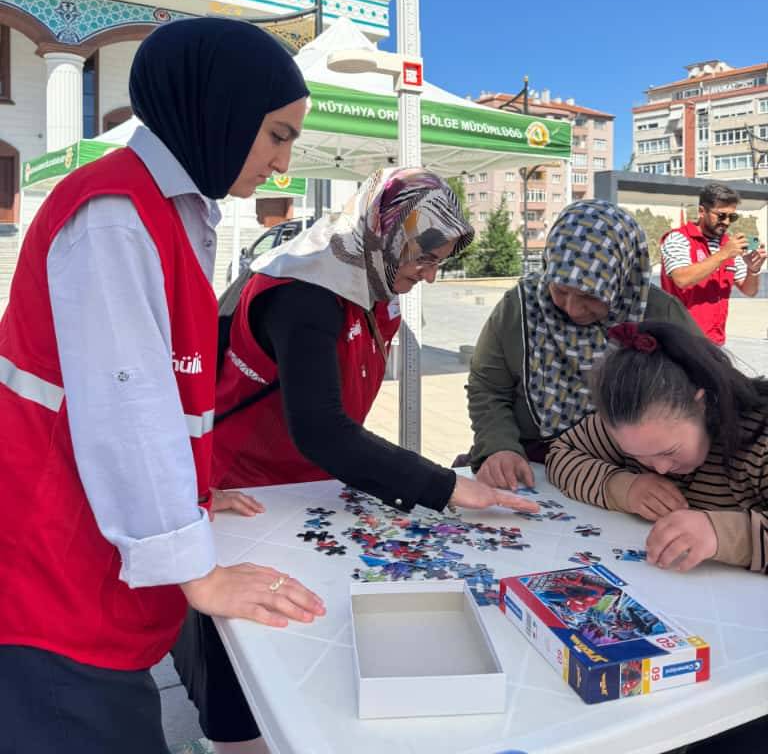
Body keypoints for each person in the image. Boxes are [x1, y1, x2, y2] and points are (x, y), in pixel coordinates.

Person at [0, 18, 327, 754]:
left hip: (88, 576)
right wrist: (200, 574)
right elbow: (128, 414)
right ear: (219, 109)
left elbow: (163, 396)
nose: (282, 166)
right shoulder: (116, 213)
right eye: (277, 135)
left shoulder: (172, 211)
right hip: (56, 590)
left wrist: (197, 493)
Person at [174, 167, 540, 753]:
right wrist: (448, 487)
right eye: (421, 260)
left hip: (310, 490)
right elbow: (323, 430)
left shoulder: (370, 281)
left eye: (439, 263)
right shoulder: (303, 291)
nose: (427, 277)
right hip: (245, 494)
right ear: (383, 233)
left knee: (311, 643)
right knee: (245, 658)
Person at [467, 199, 700, 492]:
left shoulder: (659, 314)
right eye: (561, 290)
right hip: (532, 464)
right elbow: (487, 387)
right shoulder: (520, 307)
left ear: (621, 280)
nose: (573, 310)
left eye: (591, 297)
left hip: (638, 472)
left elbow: (706, 395)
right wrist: (499, 447)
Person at [545, 320, 768, 574]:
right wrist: (624, 488)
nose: (660, 470)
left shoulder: (759, 441)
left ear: (702, 404)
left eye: (669, 451)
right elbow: (560, 455)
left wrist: (723, 534)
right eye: (636, 456)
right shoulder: (630, 425)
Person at [660, 182, 766, 345]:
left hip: (715, 342)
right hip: (680, 341)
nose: (727, 222)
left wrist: (753, 270)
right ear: (702, 211)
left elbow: (749, 290)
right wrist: (723, 254)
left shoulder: (729, 245)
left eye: (732, 217)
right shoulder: (678, 238)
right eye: (721, 215)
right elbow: (681, 279)